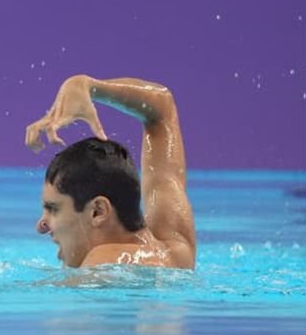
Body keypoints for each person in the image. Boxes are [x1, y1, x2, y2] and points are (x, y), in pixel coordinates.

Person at [25, 75, 195, 269]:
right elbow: (162, 109)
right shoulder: (178, 250)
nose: (41, 226)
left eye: (54, 209)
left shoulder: (103, 261)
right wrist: (87, 85)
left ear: (98, 211)